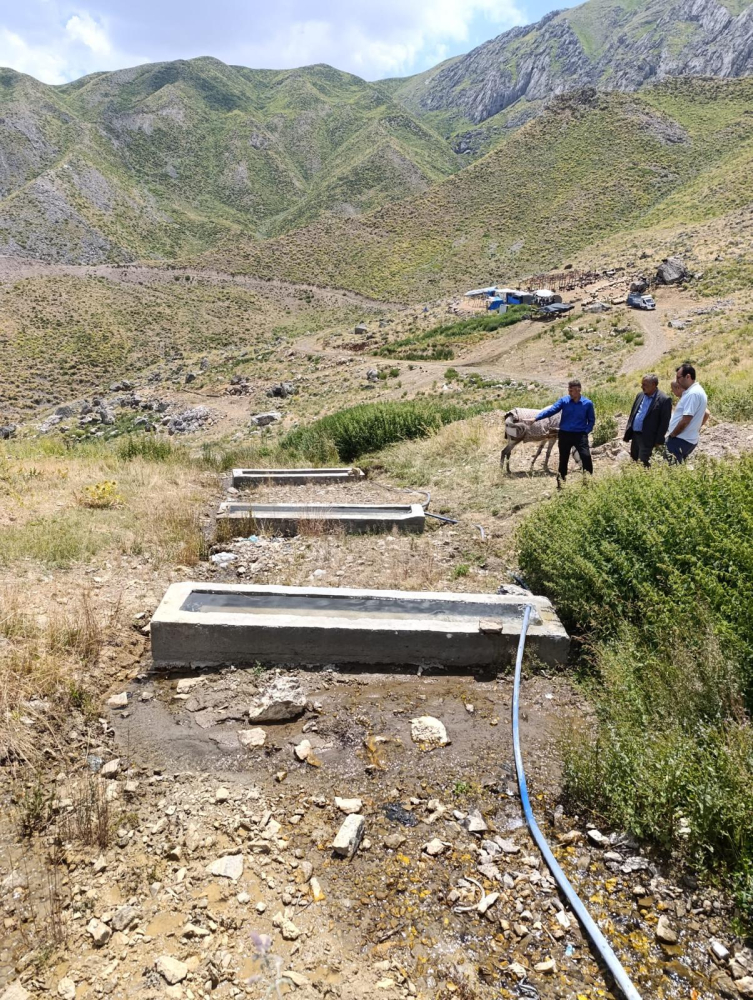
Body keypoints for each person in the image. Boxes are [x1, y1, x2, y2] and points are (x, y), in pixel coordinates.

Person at [531, 379, 595, 484]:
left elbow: (591, 421)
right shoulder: (564, 401)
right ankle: (561, 485)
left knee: (586, 457)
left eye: (571, 390)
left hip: (580, 436)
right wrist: (536, 418)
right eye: (568, 390)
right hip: (565, 435)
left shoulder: (587, 403)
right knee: (563, 460)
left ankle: (588, 482)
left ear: (578, 390)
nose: (569, 392)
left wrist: (585, 432)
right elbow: (551, 410)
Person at [623, 373, 671, 466]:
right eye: (642, 384)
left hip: (648, 438)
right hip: (635, 436)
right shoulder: (640, 395)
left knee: (643, 463)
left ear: (653, 384)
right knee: (634, 460)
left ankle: (644, 479)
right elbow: (633, 414)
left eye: (644, 384)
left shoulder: (664, 399)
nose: (642, 386)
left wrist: (659, 440)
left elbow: (664, 422)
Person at [666, 363, 708, 463]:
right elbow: (706, 413)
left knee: (671, 472)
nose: (677, 382)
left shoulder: (692, 394)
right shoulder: (696, 391)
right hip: (686, 439)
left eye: (678, 378)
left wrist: (672, 435)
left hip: (680, 439)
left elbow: (686, 420)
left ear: (688, 376)